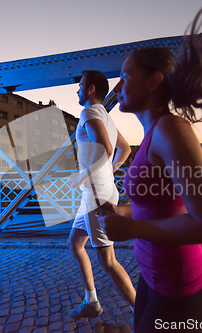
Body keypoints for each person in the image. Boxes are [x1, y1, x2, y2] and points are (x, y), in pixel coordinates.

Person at [98, 7, 202, 333]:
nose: (118, 85)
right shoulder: (152, 134)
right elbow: (161, 205)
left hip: (181, 287)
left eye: (126, 76)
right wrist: (124, 212)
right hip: (154, 278)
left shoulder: (170, 129)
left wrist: (133, 230)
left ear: (153, 81)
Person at [67, 70, 135, 319]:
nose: (77, 90)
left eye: (81, 85)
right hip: (96, 193)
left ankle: (141, 312)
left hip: (97, 196)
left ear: (91, 89)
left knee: (108, 261)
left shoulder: (88, 112)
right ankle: (91, 302)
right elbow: (124, 149)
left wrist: (83, 176)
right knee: (75, 244)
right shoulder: (105, 116)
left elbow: (106, 148)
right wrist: (109, 169)